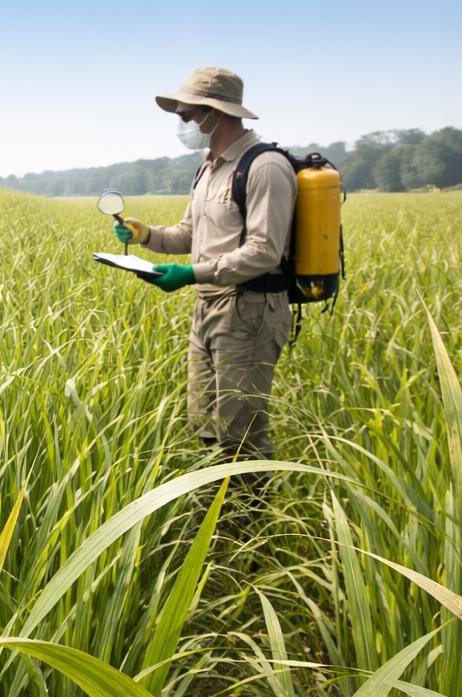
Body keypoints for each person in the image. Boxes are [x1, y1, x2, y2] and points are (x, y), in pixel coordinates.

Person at [115, 66, 297, 465]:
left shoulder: (265, 166)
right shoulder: (209, 166)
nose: (182, 124)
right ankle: (211, 517)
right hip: (208, 309)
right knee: (205, 425)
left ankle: (246, 525)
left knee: (241, 435)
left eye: (185, 116)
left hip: (249, 312)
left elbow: (265, 251)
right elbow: (188, 234)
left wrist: (190, 275)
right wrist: (145, 234)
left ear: (215, 113)